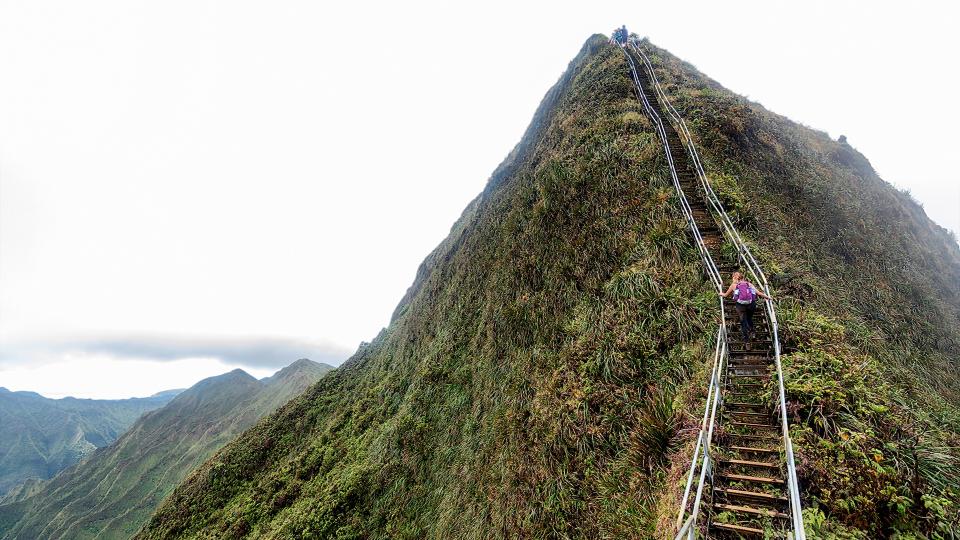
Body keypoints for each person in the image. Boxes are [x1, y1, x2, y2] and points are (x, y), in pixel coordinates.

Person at [720, 271, 771, 345]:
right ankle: (753, 332)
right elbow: (758, 293)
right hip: (751, 305)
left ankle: (747, 342)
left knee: (743, 322)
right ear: (743, 277)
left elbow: (725, 295)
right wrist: (768, 297)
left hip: (740, 306)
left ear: (734, 278)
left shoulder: (733, 285)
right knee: (749, 318)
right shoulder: (749, 284)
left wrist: (721, 293)